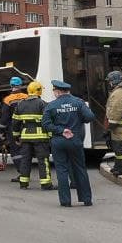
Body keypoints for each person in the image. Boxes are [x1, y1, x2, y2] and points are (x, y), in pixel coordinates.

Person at [43, 79, 96, 207]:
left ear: (58, 91)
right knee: (80, 169)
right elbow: (90, 117)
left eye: (54, 91)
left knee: (62, 170)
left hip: (58, 141)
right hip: (75, 139)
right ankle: (86, 199)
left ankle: (66, 201)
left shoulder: (51, 105)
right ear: (68, 91)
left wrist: (61, 130)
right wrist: (78, 121)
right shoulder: (78, 102)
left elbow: (45, 124)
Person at [12, 81, 53, 190]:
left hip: (25, 137)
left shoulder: (20, 104)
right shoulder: (43, 104)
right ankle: (45, 184)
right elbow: (47, 121)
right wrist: (51, 135)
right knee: (43, 160)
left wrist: (16, 136)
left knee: (25, 160)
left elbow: (15, 122)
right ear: (38, 91)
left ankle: (23, 183)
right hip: (40, 137)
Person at [0, 76, 30, 177]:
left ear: (11, 85)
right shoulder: (27, 97)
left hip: (13, 128)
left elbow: (4, 118)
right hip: (27, 127)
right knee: (26, 150)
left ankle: (22, 173)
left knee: (16, 151)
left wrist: (1, 131)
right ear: (20, 85)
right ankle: (26, 172)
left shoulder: (8, 100)